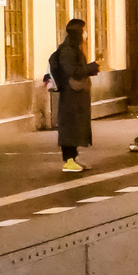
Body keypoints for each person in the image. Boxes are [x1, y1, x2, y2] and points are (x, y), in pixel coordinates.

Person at [53, 18, 97, 172]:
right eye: (84, 30)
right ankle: (69, 160)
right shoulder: (67, 51)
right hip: (71, 96)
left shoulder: (75, 48)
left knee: (76, 126)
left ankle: (74, 157)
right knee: (70, 127)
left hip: (77, 95)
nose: (86, 34)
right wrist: (91, 68)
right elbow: (73, 71)